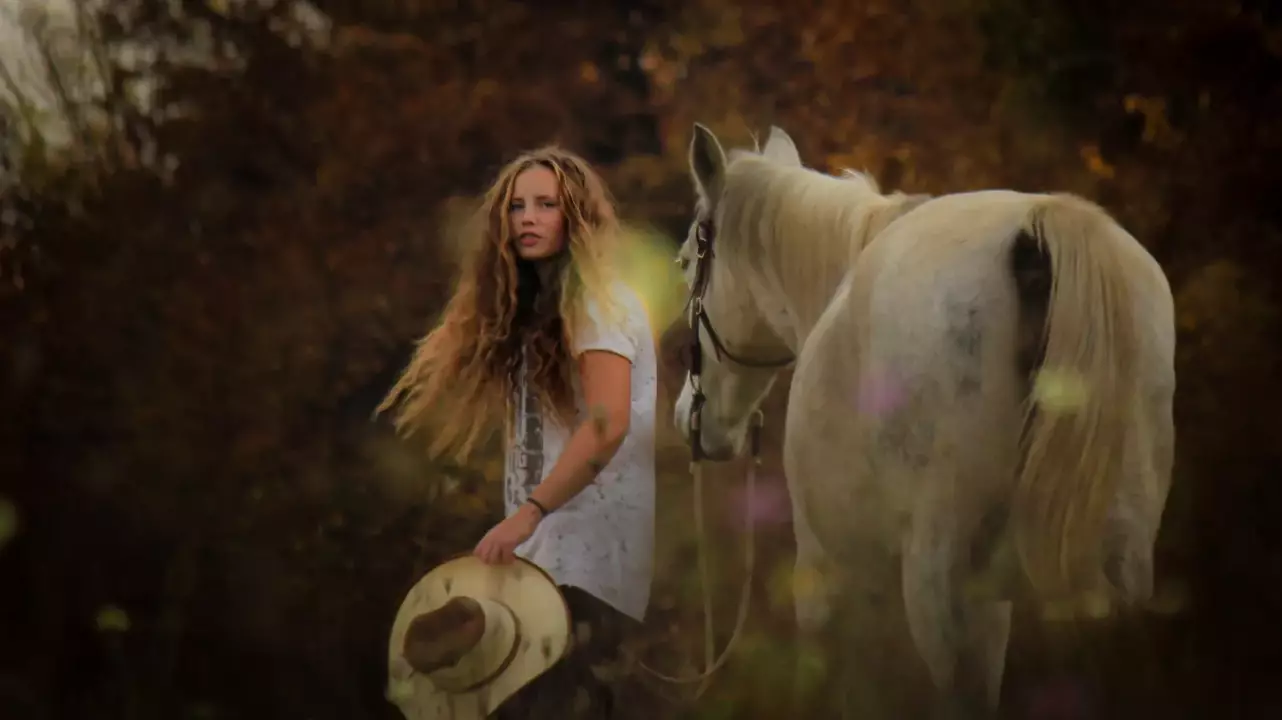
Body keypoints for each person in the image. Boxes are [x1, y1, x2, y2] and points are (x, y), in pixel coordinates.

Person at [378, 146, 657, 718]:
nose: (527, 218)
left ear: (576, 217)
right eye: (516, 207)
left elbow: (608, 426)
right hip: (542, 565)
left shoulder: (599, 305)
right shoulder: (540, 319)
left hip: (589, 570)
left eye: (546, 205)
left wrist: (528, 511)